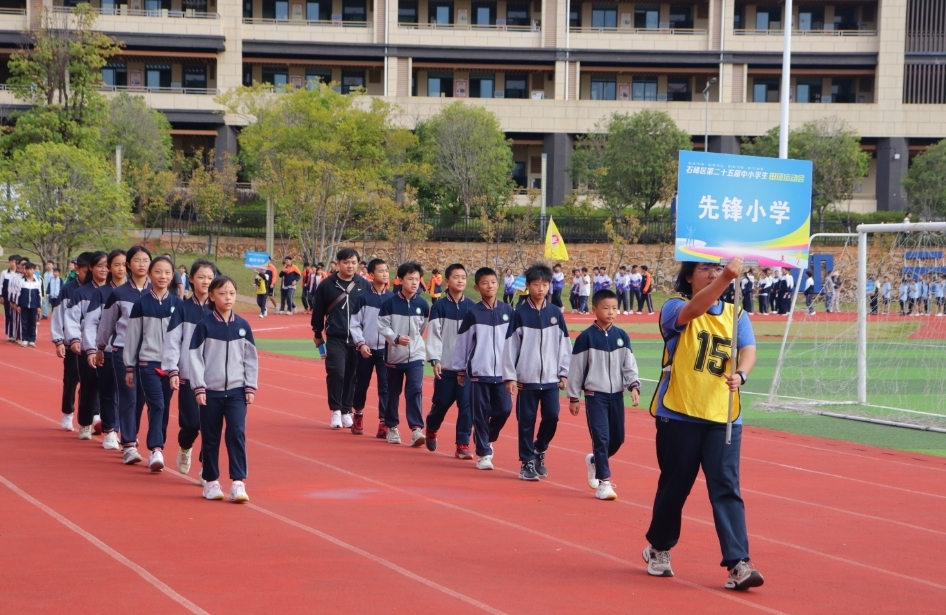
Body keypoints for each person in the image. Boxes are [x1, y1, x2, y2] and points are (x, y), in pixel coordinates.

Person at [643, 258, 763, 591]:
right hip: (680, 413)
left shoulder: (736, 313)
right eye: (704, 269)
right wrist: (726, 277)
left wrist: (742, 373)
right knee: (676, 486)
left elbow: (748, 349)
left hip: (722, 416)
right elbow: (695, 311)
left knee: (726, 488)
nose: (712, 272)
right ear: (688, 277)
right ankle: (659, 547)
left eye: (717, 268)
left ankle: (738, 563)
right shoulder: (673, 308)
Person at [190, 275, 258, 503]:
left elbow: (250, 358)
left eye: (231, 293)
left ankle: (238, 482)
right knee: (210, 437)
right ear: (211, 296)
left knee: (236, 433)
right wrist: (199, 387)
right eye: (222, 293)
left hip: (237, 391)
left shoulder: (242, 326)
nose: (228, 297)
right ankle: (211, 481)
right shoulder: (204, 326)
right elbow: (195, 358)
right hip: (210, 392)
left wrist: (250, 385)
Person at [567, 289, 640, 500]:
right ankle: (604, 482)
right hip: (594, 395)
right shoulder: (586, 338)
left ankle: (594, 462)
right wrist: (574, 397)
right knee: (601, 437)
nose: (611, 312)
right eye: (606, 308)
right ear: (595, 309)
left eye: (615, 308)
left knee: (617, 439)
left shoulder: (621, 336)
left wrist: (633, 386)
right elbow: (577, 369)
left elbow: (629, 366)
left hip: (616, 396)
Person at [502, 263, 571, 481]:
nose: (540, 289)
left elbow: (564, 345)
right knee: (526, 421)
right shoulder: (519, 313)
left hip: (551, 378)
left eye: (545, 284)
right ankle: (527, 462)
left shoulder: (555, 314)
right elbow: (510, 346)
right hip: (526, 379)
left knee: (552, 417)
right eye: (536, 284)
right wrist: (510, 376)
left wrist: (564, 372)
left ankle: (539, 449)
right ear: (528, 286)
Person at [452, 267, 514, 470]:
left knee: (504, 409)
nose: (490, 286)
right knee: (479, 412)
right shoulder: (473, 313)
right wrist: (461, 370)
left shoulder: (507, 311)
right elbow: (463, 343)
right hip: (479, 372)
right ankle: (484, 453)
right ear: (477, 287)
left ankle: (486, 437)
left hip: (503, 373)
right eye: (485, 283)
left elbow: (515, 343)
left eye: (493, 282)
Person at [123, 255, 181, 472]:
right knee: (156, 404)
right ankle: (155, 448)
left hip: (170, 366)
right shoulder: (141, 304)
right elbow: (133, 337)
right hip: (147, 363)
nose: (163, 276)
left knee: (163, 408)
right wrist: (129, 365)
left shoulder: (178, 305)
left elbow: (181, 339)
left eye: (167, 272)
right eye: (158, 272)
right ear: (150, 275)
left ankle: (159, 445)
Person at [164, 259, 217, 477]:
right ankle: (185, 446)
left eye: (210, 278)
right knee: (192, 423)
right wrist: (173, 369)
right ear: (191, 279)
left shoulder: (219, 310)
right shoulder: (183, 309)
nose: (206, 281)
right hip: (188, 375)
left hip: (214, 377)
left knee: (211, 426)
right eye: (202, 277)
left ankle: (207, 467)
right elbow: (173, 341)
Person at [98, 246, 151, 459]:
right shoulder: (118, 293)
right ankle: (129, 444)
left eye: (146, 260)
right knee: (128, 396)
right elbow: (107, 323)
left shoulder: (156, 293)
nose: (141, 264)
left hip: (149, 354)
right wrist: (101, 347)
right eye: (137, 260)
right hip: (122, 352)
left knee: (141, 399)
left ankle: (132, 433)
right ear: (129, 264)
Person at [311, 248, 369, 429]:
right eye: (346, 262)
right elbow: (318, 311)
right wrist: (318, 333)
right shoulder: (327, 285)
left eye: (353, 262)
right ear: (338, 263)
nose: (350, 265)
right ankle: (335, 411)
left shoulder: (364, 285)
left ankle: (346, 411)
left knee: (352, 376)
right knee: (337, 372)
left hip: (357, 339)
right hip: (335, 337)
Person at [423, 263, 475, 459]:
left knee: (466, 405)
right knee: (441, 403)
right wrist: (435, 359)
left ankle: (462, 444)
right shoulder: (439, 306)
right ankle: (432, 427)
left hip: (466, 369)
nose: (460, 280)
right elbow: (434, 335)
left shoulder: (472, 307)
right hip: (445, 366)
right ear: (447, 281)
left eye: (463, 277)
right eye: (456, 277)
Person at [377, 261, 429, 447]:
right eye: (410, 279)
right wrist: (396, 338)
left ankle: (416, 429)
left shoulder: (423, 304)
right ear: (400, 280)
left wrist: (413, 343)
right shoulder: (389, 303)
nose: (414, 283)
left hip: (416, 355)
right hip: (394, 356)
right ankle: (392, 427)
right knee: (393, 392)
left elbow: (422, 328)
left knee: (415, 389)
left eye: (417, 279)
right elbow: (382, 326)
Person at [82, 249, 127, 450]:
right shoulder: (101, 293)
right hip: (107, 350)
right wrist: (92, 348)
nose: (121, 268)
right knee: (108, 391)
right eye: (116, 264)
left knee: (128, 395)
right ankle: (110, 430)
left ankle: (127, 433)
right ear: (109, 267)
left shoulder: (138, 292)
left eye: (125, 264)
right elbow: (91, 323)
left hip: (131, 352)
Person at [65, 251, 108, 438]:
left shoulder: (114, 293)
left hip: (109, 349)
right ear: (91, 267)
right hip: (88, 346)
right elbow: (72, 319)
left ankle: (110, 426)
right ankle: (85, 423)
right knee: (89, 385)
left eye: (108, 266)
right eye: (100, 266)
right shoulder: (81, 293)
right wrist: (75, 339)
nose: (104, 270)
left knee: (110, 389)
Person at [350, 258, 393, 437]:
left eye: (386, 271)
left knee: (385, 386)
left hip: (386, 350)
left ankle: (384, 422)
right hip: (366, 350)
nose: (384, 274)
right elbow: (355, 323)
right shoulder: (364, 298)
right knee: (362, 384)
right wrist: (361, 344)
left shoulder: (392, 298)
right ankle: (358, 414)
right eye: (381, 271)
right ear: (371, 275)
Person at [52, 253, 91, 431]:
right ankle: (67, 412)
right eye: (85, 270)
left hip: (93, 345)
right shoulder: (68, 289)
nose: (89, 274)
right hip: (73, 344)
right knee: (71, 380)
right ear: (77, 269)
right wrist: (59, 340)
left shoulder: (101, 289)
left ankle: (91, 416)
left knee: (92, 383)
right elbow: (59, 315)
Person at [16, 262, 41, 347]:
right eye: (27, 269)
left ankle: (32, 339)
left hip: (34, 305)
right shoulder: (22, 281)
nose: (29, 271)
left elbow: (39, 295)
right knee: (24, 322)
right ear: (25, 270)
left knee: (32, 323)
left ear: (34, 270)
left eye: (31, 269)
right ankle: (25, 339)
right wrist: (18, 305)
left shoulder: (37, 282)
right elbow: (18, 294)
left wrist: (39, 306)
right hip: (24, 305)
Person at [2, 255, 21, 342]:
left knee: (16, 317)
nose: (13, 264)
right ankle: (9, 333)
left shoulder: (20, 273)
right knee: (8, 315)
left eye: (15, 262)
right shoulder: (5, 273)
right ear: (9, 262)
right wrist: (1, 296)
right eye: (12, 261)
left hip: (16, 298)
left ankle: (16, 333)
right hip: (6, 297)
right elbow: (1, 285)